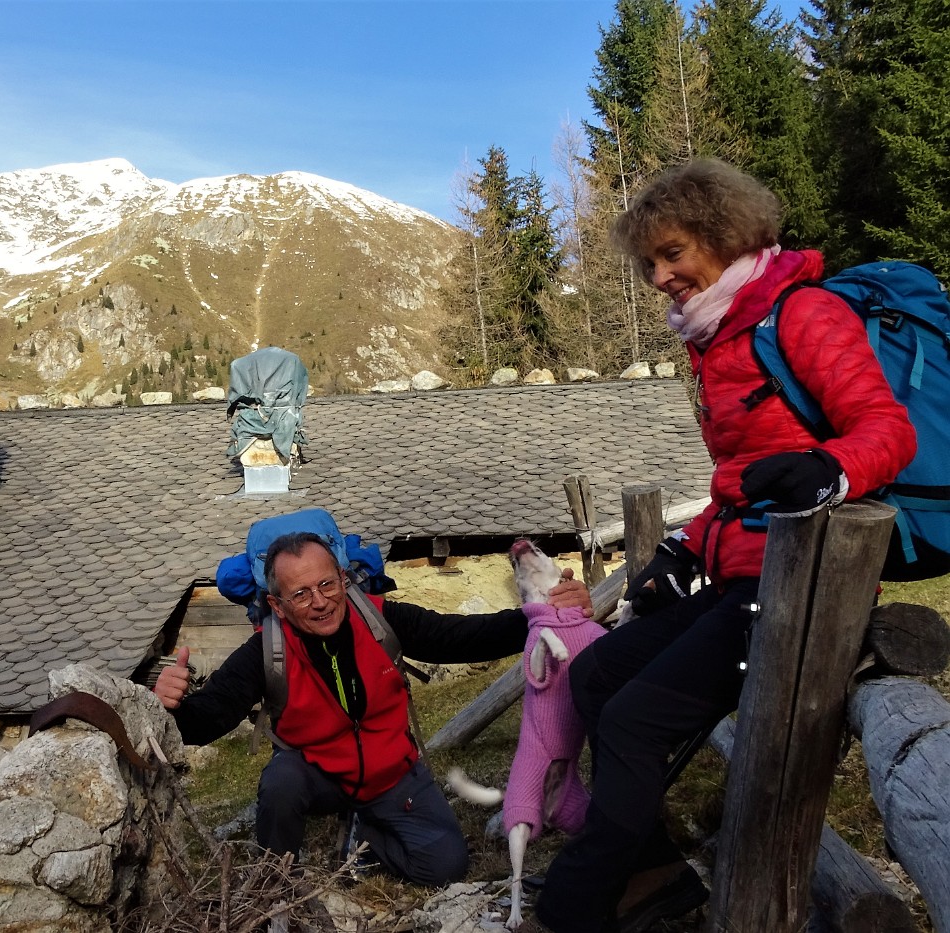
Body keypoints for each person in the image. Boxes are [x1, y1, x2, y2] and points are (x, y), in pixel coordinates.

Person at [521, 160, 917, 933]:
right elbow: (740, 481)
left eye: (673, 253)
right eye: (649, 264)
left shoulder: (801, 315)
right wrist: (685, 544)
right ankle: (655, 876)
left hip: (800, 591)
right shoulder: (719, 335)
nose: (661, 276)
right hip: (741, 575)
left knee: (634, 719)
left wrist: (831, 470)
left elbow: (887, 430)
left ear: (723, 233)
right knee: (597, 672)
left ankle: (579, 900)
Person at [154, 531, 594, 887]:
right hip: (317, 774)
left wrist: (544, 614)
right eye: (301, 594)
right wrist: (169, 707)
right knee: (282, 780)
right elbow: (211, 716)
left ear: (343, 580)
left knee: (445, 866)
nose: (321, 601)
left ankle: (359, 841)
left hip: (391, 774)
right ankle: (275, 883)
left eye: (327, 584)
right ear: (277, 606)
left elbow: (462, 636)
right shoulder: (266, 651)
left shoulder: (382, 621)